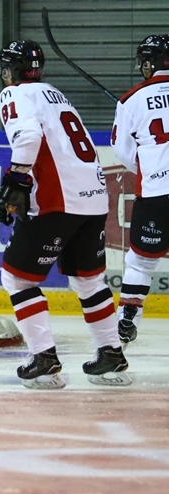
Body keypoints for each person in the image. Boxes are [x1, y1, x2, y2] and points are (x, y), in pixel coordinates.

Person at [0, 40, 129, 389]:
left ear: (11, 70)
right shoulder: (55, 93)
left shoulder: (14, 95)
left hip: (58, 200)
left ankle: (44, 358)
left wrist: (16, 180)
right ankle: (111, 353)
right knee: (88, 280)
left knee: (18, 279)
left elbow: (27, 136)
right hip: (94, 198)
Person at [111, 34, 169, 347]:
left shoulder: (132, 99)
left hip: (157, 190)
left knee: (141, 262)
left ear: (148, 63)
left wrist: (150, 165)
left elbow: (122, 151)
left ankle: (128, 317)